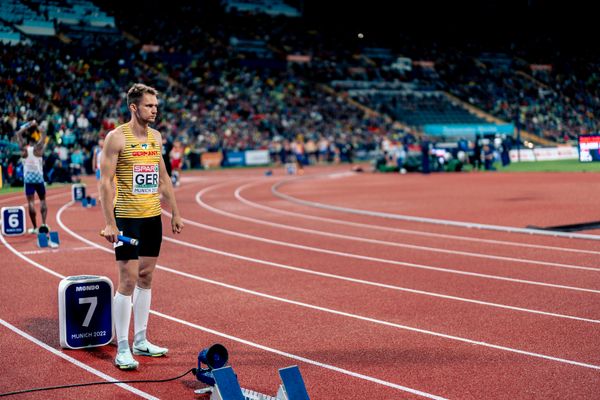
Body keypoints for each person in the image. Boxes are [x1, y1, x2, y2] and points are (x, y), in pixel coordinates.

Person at [100, 83, 184, 370]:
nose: (155, 109)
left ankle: (140, 340)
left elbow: (163, 178)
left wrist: (175, 213)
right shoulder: (116, 138)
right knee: (127, 280)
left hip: (152, 219)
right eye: (149, 105)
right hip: (127, 219)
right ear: (134, 107)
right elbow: (105, 182)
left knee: (146, 278)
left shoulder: (156, 137)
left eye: (156, 105)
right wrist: (110, 222)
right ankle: (122, 347)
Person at [17, 120, 49, 234]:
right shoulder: (38, 149)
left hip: (28, 179)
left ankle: (35, 227)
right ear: (35, 141)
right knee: (43, 200)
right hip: (39, 178)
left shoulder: (24, 150)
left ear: (27, 142)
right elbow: (44, 134)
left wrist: (28, 125)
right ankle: (44, 224)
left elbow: (18, 134)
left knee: (31, 202)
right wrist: (37, 125)